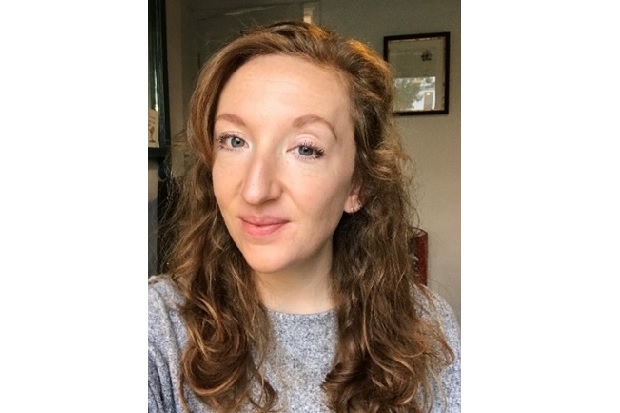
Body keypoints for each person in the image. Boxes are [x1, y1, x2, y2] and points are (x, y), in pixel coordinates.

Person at [148, 20, 460, 413]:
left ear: (357, 185)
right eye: (234, 140)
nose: (255, 190)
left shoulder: (425, 327)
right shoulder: (158, 327)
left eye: (305, 149)